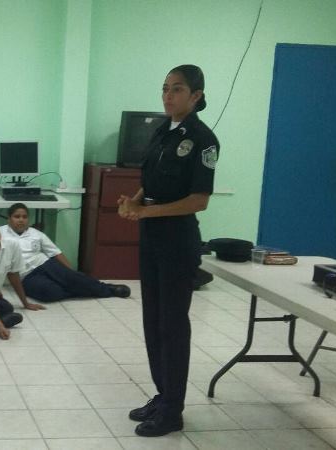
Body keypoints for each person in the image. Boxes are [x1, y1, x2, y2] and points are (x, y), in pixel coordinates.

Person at [117, 64, 219, 437]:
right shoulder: (163, 130)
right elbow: (151, 180)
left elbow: (198, 200)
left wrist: (147, 211)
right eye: (164, 88)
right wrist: (135, 201)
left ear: (196, 95)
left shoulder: (203, 139)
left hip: (177, 239)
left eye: (176, 89)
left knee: (173, 325)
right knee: (153, 320)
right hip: (152, 236)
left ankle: (173, 410)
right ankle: (162, 396)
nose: (167, 95)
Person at [0, 203, 131, 302]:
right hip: (25, 276)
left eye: (24, 217)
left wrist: (70, 273)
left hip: (46, 265)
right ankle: (78, 289)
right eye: (17, 217)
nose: (21, 220)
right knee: (49, 293)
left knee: (74, 278)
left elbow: (56, 253)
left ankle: (109, 289)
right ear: (8, 219)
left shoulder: (36, 234)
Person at [0, 216, 46, 312]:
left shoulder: (12, 245)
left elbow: (13, 275)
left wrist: (25, 303)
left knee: (6, 308)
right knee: (4, 309)